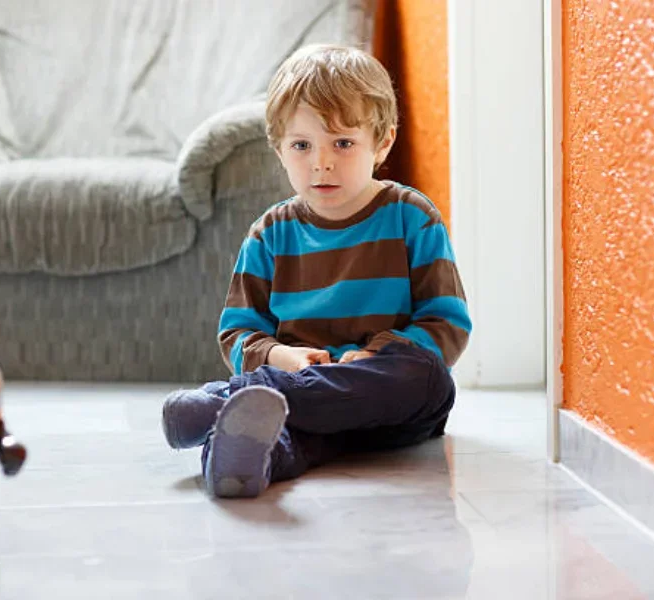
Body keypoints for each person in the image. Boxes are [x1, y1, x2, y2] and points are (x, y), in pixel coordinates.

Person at [161, 44, 471, 499]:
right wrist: (281, 357)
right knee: (276, 425)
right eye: (301, 146)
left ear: (382, 142)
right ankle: (235, 461)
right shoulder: (270, 234)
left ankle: (224, 401)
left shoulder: (412, 217)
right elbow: (238, 332)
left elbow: (446, 324)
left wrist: (372, 356)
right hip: (299, 400)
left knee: (428, 378)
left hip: (385, 397)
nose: (321, 163)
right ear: (279, 149)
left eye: (343, 143)